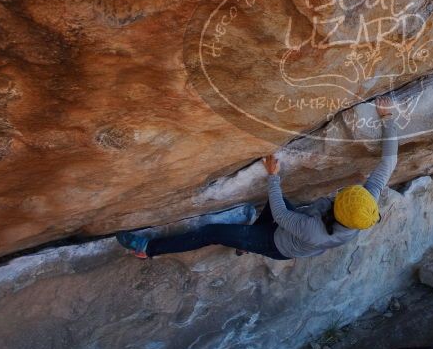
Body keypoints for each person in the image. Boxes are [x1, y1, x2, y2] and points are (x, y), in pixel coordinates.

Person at [116, 96, 399, 260]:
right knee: (277, 205)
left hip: (275, 245)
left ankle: (148, 249)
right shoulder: (363, 208)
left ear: (339, 210)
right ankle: (243, 237)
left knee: (213, 233)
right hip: (294, 231)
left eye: (341, 196)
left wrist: (273, 176)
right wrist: (387, 118)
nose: (341, 193)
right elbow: (389, 161)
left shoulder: (314, 229)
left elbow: (280, 214)